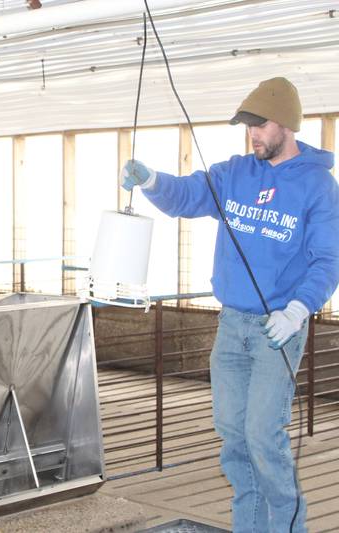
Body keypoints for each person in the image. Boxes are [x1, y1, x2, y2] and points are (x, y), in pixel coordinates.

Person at [121, 77, 339, 532]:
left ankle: (287, 527)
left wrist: (298, 309)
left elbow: (326, 260)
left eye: (259, 126)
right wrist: (152, 180)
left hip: (277, 329)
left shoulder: (318, 186)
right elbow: (185, 196)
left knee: (263, 435)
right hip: (231, 324)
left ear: (287, 124)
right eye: (248, 127)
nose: (252, 135)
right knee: (234, 436)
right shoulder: (234, 172)